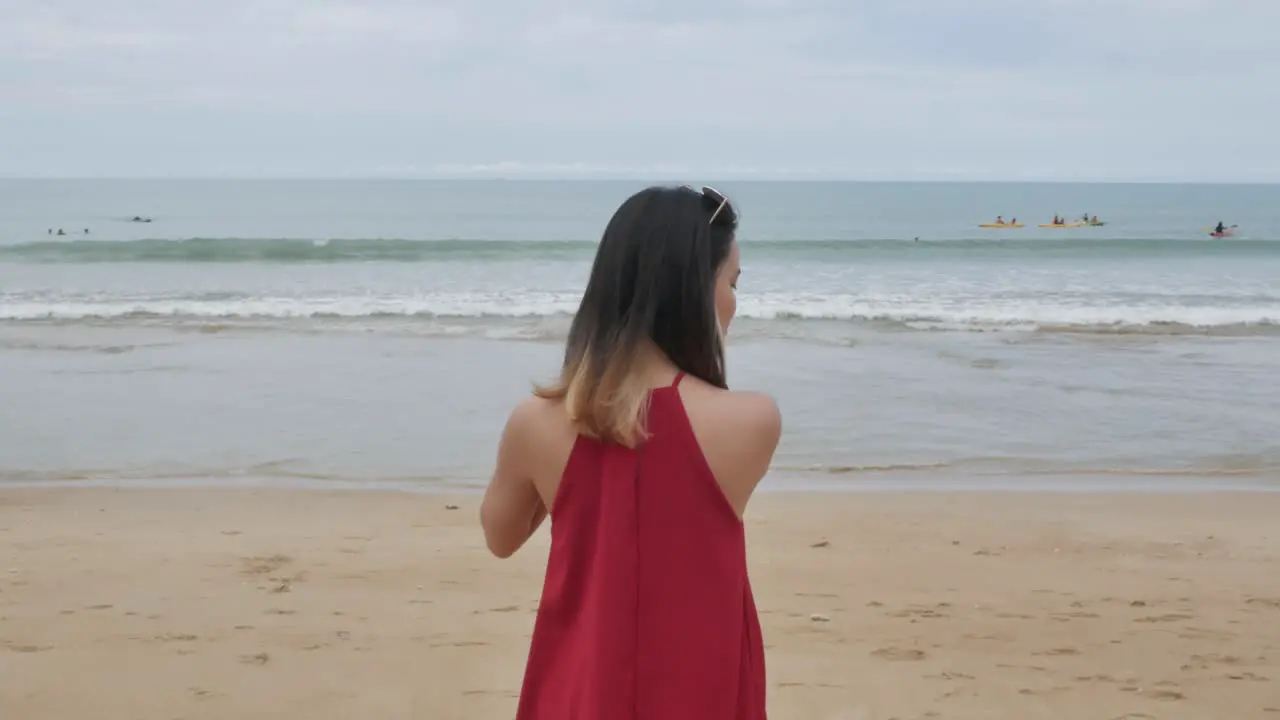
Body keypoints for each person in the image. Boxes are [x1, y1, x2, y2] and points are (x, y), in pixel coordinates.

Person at [481, 185, 781, 719]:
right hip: (701, 695)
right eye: (731, 283)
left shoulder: (536, 423)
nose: (734, 302)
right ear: (695, 290)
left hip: (580, 692)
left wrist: (557, 460)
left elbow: (500, 535)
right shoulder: (751, 421)